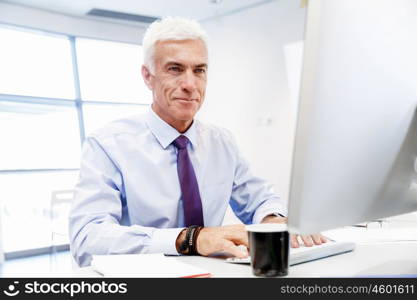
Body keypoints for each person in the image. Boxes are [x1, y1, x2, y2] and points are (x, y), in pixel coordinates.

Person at [69, 17, 326, 267]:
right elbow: (86, 239)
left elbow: (259, 199)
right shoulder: (107, 144)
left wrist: (271, 219)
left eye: (199, 70)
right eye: (175, 69)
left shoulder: (221, 142)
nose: (190, 85)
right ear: (148, 76)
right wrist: (190, 239)